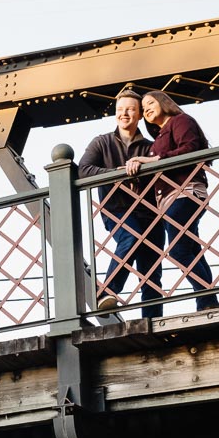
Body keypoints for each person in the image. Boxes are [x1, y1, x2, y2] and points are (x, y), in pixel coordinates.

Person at [125, 89, 219, 311]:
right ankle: (208, 301)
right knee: (191, 248)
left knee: (178, 250)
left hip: (186, 191)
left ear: (163, 102)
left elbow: (190, 148)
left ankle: (206, 299)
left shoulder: (180, 120)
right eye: (143, 108)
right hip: (170, 198)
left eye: (150, 103)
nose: (146, 109)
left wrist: (156, 160)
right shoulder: (158, 137)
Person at [78, 90, 164, 317]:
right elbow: (83, 170)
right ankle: (106, 293)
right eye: (119, 110)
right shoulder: (101, 142)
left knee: (152, 273)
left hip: (150, 213)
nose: (124, 114)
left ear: (139, 115)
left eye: (130, 109)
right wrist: (116, 173)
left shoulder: (150, 146)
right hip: (116, 209)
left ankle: (153, 324)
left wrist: (142, 168)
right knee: (131, 237)